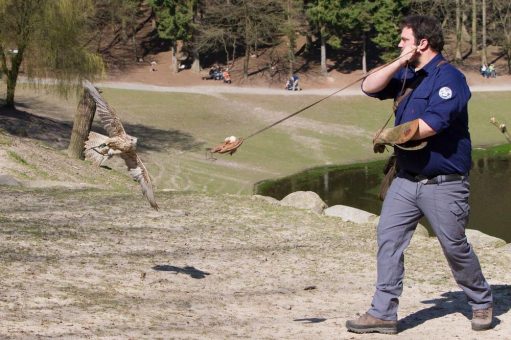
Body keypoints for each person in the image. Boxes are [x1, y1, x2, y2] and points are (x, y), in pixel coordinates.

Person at [346, 15, 493, 335]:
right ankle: (383, 313)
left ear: (422, 43)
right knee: (388, 240)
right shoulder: (407, 76)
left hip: (444, 184)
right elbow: (368, 86)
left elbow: (429, 126)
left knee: (454, 246)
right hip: (405, 179)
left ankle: (481, 300)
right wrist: (400, 61)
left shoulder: (450, 79)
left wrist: (387, 136)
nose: (399, 44)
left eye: (404, 40)